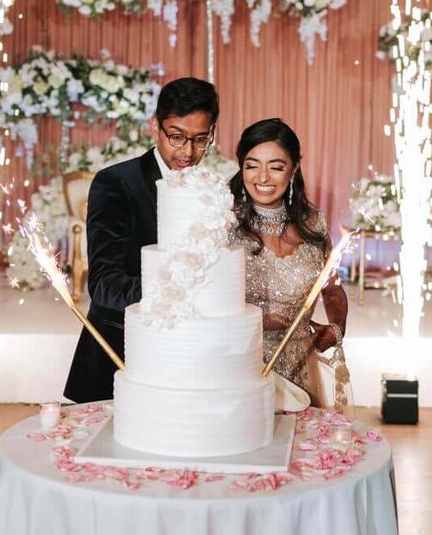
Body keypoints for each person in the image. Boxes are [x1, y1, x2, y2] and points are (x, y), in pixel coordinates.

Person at [62, 77, 220, 403]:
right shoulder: (116, 183)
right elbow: (105, 285)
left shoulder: (213, 190)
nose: (188, 152)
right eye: (176, 137)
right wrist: (180, 295)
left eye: (201, 139)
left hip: (190, 362)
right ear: (155, 127)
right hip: (119, 355)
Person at [228, 118, 348, 407]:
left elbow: (332, 290)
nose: (263, 177)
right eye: (252, 164)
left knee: (298, 447)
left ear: (294, 169)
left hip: (299, 365)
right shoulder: (223, 223)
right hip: (240, 365)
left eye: (276, 166)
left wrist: (336, 327)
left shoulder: (313, 224)